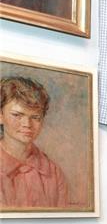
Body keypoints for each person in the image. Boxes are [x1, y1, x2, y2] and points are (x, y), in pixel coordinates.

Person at [0, 76, 68, 208]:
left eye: (35, 117)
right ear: (0, 116)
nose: (27, 124)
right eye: (17, 115)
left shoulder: (53, 172)